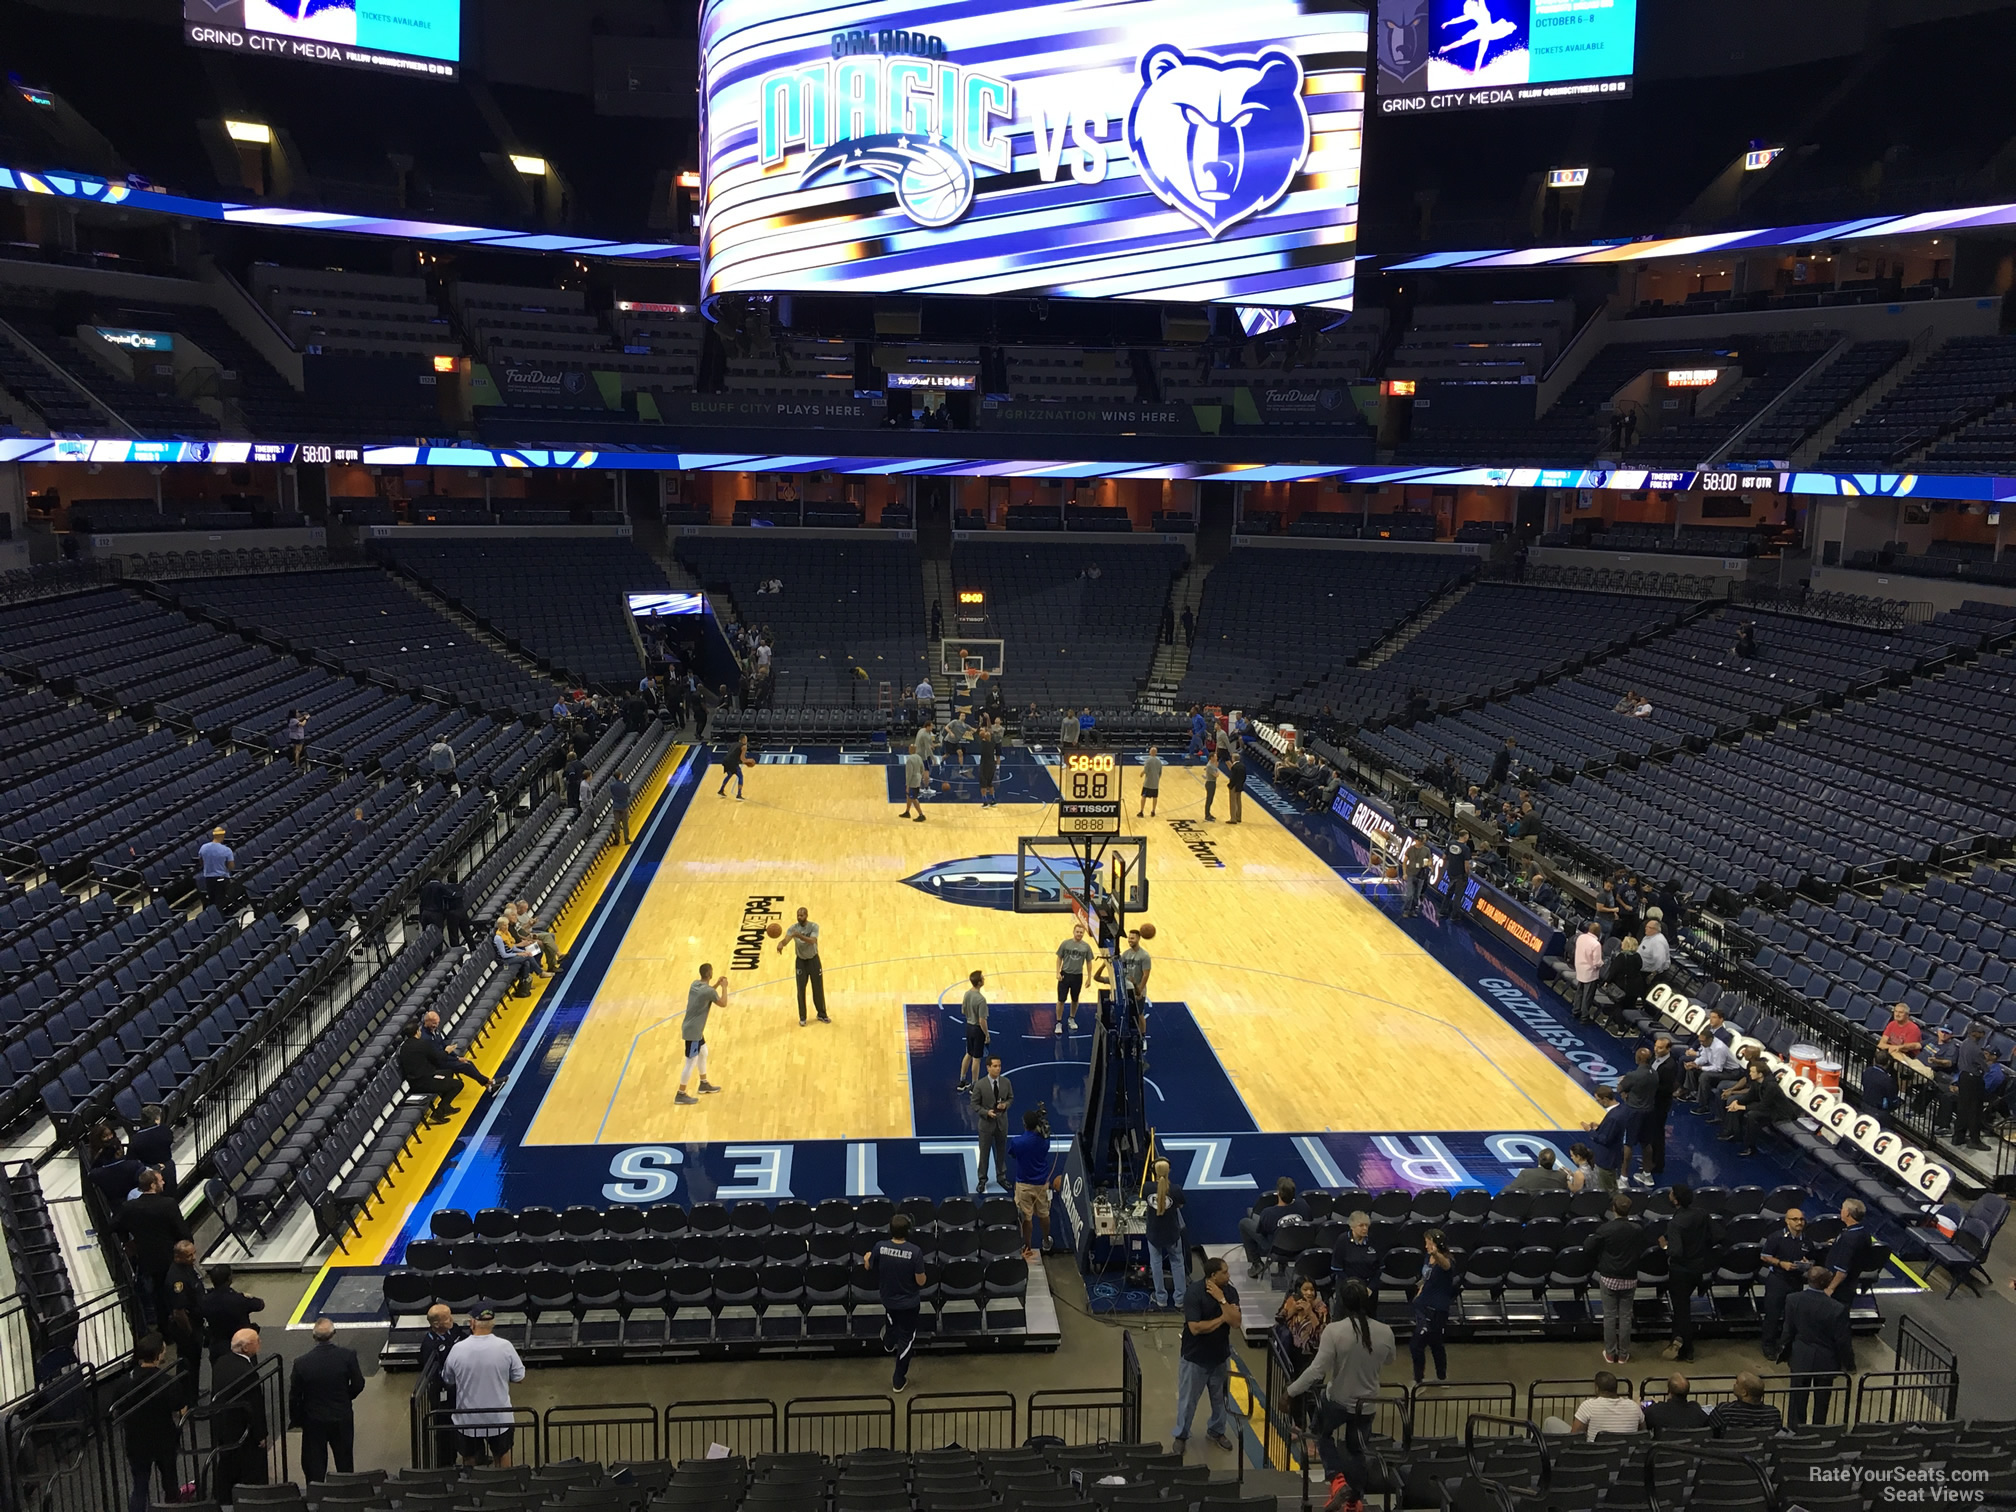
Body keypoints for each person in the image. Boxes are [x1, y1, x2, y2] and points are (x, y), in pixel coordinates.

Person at [1286, 1280, 1392, 1512]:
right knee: (1357, 1451)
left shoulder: (1334, 1331)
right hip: (1367, 1405)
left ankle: (1337, 1480)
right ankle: (1354, 1501)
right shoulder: (1386, 1331)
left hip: (1338, 1401)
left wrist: (1291, 1391)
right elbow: (1390, 1358)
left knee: (1320, 1434)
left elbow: (1317, 1370)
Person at [1173, 1256, 1241, 1454]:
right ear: (1213, 1276)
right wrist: (1223, 1317)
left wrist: (1221, 1299)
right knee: (1188, 1401)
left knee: (1220, 1399)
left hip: (1219, 1357)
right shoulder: (1194, 1293)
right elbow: (1195, 1328)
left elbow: (1236, 1322)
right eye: (1225, 1272)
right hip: (1195, 1358)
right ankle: (1181, 1435)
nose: (1228, 1275)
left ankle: (1217, 1431)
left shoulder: (1229, 1292)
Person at [442, 1310, 526, 1465]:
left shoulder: (458, 1349)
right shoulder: (505, 1347)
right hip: (499, 1417)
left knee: (470, 1459)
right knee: (502, 1456)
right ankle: (504, 1486)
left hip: (468, 1419)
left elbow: (448, 1378)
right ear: (492, 1324)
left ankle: (472, 1487)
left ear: (472, 1323)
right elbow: (519, 1377)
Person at [289, 1316, 365, 1482]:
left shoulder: (301, 1363)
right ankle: (346, 1493)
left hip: (314, 1419)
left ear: (314, 1337)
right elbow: (358, 1384)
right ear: (334, 1334)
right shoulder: (347, 1356)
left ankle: (316, 1495)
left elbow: (294, 1395)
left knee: (314, 1463)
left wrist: (297, 1418)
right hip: (341, 1416)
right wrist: (346, 1397)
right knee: (344, 1459)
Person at [1780, 1265, 1854, 1427]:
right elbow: (1842, 1340)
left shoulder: (1793, 1299)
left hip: (1800, 1357)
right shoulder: (1837, 1308)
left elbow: (1788, 1330)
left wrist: (1784, 1351)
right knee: (1822, 1403)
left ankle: (1795, 1433)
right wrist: (1849, 1364)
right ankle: (1817, 1432)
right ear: (1827, 1283)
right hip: (1826, 1361)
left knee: (1797, 1401)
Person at [121, 1333, 187, 1512]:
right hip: (163, 1439)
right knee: (170, 1483)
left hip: (135, 1440)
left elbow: (118, 1408)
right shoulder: (166, 1382)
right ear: (158, 1355)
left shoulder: (126, 1382)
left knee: (139, 1486)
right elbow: (180, 1406)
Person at [119, 1169, 189, 1329]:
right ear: (153, 1184)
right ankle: (181, 1325)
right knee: (177, 1292)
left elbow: (114, 1226)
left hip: (147, 1258)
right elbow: (182, 1231)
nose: (163, 1182)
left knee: (157, 1295)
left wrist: (127, 1242)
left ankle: (164, 1328)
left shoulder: (129, 1207)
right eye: (161, 1180)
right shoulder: (168, 1204)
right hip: (169, 1257)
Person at [864, 1214, 927, 1391]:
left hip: (888, 1300)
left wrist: (867, 1257)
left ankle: (889, 1342)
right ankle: (898, 1379)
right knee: (907, 1339)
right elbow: (921, 1281)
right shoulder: (915, 1252)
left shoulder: (880, 1247)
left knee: (891, 1319)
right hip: (909, 1305)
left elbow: (868, 1265)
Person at [1585, 1192, 1648, 1365]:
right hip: (1630, 1278)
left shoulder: (1606, 1229)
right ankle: (1623, 1355)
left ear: (1614, 1209)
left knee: (1610, 1316)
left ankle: (1610, 1353)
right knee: (1626, 1316)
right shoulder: (1637, 1229)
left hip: (1609, 1278)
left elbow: (1589, 1247)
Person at [399, 1017, 494, 1125]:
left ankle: (446, 1107)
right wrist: (447, 1051)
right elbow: (438, 1057)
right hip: (423, 1081)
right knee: (457, 1084)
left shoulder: (404, 1047)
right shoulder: (422, 1044)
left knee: (448, 1071)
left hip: (418, 1077)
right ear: (417, 1032)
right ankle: (439, 1112)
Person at [211, 1328, 268, 1505]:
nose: (259, 1344)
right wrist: (261, 1434)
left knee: (227, 1464)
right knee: (249, 1467)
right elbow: (254, 1406)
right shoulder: (247, 1373)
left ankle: (223, 1499)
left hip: (222, 1425)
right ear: (246, 1348)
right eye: (257, 1341)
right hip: (242, 1429)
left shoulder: (221, 1362)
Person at [1659, 1183, 1713, 1362]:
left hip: (1681, 1272)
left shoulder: (1675, 1224)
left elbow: (1675, 1251)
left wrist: (1664, 1246)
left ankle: (1687, 1350)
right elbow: (1715, 1236)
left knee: (1682, 1311)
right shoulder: (1702, 1214)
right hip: (1698, 1268)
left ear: (1676, 1200)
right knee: (1682, 1308)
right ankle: (1676, 1339)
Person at [417, 1303, 469, 1463]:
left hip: (462, 1389)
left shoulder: (455, 1330)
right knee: (445, 1430)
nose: (451, 1319)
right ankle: (446, 1463)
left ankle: (471, 1454)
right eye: (447, 1318)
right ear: (436, 1324)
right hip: (443, 1394)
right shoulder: (429, 1345)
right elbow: (432, 1372)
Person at [1008, 1109, 1061, 1257]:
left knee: (1026, 1216)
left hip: (1024, 1184)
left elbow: (1012, 1153)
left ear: (1024, 1124)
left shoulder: (1017, 1142)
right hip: (1041, 1184)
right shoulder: (1044, 1141)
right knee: (1044, 1213)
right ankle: (1046, 1240)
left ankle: (1028, 1246)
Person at [1759, 1208, 1809, 1359]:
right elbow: (1765, 1256)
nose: (1799, 1222)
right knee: (1772, 1315)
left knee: (1792, 1316)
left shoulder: (1806, 1240)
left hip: (1796, 1281)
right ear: (1787, 1221)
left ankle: (1786, 1346)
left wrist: (1806, 1263)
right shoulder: (1776, 1237)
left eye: (1801, 1219)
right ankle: (1768, 1345)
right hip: (1778, 1280)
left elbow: (1810, 1256)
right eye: (1795, 1219)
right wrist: (1781, 1263)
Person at [676, 965, 727, 1105]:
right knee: (690, 1061)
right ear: (710, 973)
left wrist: (716, 984)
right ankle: (680, 1093)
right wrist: (724, 987)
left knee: (703, 1052)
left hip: (693, 1028)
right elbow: (723, 1003)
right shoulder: (709, 992)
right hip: (693, 1031)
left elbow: (708, 993)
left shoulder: (695, 984)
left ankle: (703, 1083)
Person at [1239, 1177, 1309, 1279]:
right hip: (1300, 1246)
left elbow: (1262, 1232)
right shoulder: (1304, 1205)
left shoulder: (1268, 1213)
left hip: (1276, 1248)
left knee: (1244, 1223)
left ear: (1279, 1193)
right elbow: (1308, 1222)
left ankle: (1256, 1263)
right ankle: (1281, 1263)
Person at [161, 1239, 205, 1396]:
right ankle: (189, 1398)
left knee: (193, 1362)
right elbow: (178, 1311)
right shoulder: (177, 1278)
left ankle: (191, 1391)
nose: (193, 1258)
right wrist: (190, 1331)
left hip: (195, 1321)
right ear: (178, 1257)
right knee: (188, 1363)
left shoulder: (187, 1268)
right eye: (189, 1255)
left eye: (193, 1253)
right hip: (186, 1326)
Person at [1411, 1229, 1455, 1383]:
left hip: (1436, 1310)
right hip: (1423, 1306)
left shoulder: (1447, 1260)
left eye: (1429, 1243)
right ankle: (1425, 1377)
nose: (1426, 1246)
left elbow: (1446, 1266)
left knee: (1419, 1344)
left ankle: (1427, 1378)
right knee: (1435, 1342)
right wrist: (1420, 1292)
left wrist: (1436, 1254)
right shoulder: (1427, 1258)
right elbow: (1426, 1278)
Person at [1143, 1159, 1187, 1309]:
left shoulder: (1147, 1187)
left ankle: (1161, 1298)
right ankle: (1179, 1299)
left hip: (1154, 1234)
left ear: (1154, 1172)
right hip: (1172, 1234)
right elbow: (1180, 1204)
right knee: (1177, 1263)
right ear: (1169, 1172)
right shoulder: (1175, 1190)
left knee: (1156, 1264)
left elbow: (1145, 1201)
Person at [201, 1266, 265, 1366]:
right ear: (229, 1279)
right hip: (241, 1345)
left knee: (220, 1374)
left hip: (218, 1345)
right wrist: (247, 1296)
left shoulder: (205, 1300)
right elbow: (260, 1305)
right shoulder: (239, 1299)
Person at [1720, 1062, 1787, 1157]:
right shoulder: (1756, 1082)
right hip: (1766, 1107)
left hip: (1778, 1111)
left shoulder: (1771, 1086)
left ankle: (1750, 1147)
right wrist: (1738, 1103)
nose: (1750, 1073)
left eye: (1752, 1072)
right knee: (1735, 1103)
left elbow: (1764, 1106)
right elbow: (1750, 1096)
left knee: (1753, 1115)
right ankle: (1735, 1133)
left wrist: (1743, 1107)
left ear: (1760, 1074)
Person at [778, 906, 829, 1025]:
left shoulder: (814, 926)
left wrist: (799, 936)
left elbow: (812, 941)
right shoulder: (793, 928)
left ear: (806, 915)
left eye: (801, 915)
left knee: (818, 988)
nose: (799, 917)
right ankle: (802, 1017)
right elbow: (786, 940)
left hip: (814, 960)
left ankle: (821, 1014)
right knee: (800, 990)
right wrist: (781, 943)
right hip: (801, 962)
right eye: (798, 915)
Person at [972, 1055, 1013, 1194]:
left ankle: (1001, 1176)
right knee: (984, 1153)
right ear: (988, 1067)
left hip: (1002, 1123)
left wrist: (1005, 1105)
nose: (998, 1069)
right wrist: (985, 1112)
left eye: (999, 1066)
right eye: (995, 1066)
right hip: (986, 1125)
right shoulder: (980, 1085)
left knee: (1001, 1152)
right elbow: (974, 1104)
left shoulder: (1006, 1082)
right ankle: (982, 1180)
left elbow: (1010, 1098)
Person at [1616, 1047, 1657, 1187]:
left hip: (1634, 1112)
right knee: (1646, 1143)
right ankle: (1647, 1175)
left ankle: (1623, 1178)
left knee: (1628, 1143)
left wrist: (1624, 1083)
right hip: (1649, 1111)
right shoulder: (1655, 1074)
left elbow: (1619, 1088)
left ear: (1638, 1059)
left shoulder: (1633, 1075)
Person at [1644, 1034, 1682, 1182]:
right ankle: (1651, 1159)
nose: (1656, 1049)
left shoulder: (1670, 1066)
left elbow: (1666, 1089)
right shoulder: (1655, 1058)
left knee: (1657, 1135)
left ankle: (1658, 1164)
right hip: (1651, 1102)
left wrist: (1648, 1086)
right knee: (1650, 1133)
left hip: (1659, 1104)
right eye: (1655, 1046)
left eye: (1660, 1048)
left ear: (1668, 1049)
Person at [1568, 1372, 1644, 1441]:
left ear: (1597, 1388)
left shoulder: (1588, 1406)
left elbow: (1574, 1436)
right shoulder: (1634, 1407)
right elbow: (1643, 1433)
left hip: (1595, 1454)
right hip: (1626, 1455)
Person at [1275, 1278, 1330, 1371]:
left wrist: (1310, 1313)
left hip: (1312, 1353)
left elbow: (1321, 1334)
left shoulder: (1321, 1308)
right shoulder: (1291, 1301)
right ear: (1298, 1290)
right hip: (1293, 1349)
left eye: (1312, 1290)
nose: (1309, 1293)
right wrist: (1293, 1310)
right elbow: (1279, 1319)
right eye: (1305, 1290)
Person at [1582, 1085, 1629, 1194]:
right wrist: (1600, 1127)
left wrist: (1590, 1131)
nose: (1597, 1102)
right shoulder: (1620, 1109)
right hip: (1614, 1155)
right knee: (1611, 1184)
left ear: (1606, 1099)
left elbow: (1605, 1139)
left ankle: (1612, 1208)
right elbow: (1612, 1131)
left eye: (1598, 1100)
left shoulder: (1613, 1117)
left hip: (1607, 1158)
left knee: (1607, 1190)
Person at [1823, 1199, 1870, 1307]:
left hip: (1840, 1288)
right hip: (1852, 1282)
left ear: (1847, 1213)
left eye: (1843, 1208)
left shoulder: (1848, 1238)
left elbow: (1842, 1270)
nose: (1841, 1210)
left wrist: (1830, 1288)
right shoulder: (1863, 1233)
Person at [1708, 1371, 1782, 1437]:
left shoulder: (1724, 1411)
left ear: (1744, 1392)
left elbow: (1708, 1431)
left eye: (1737, 1383)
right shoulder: (1773, 1414)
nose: (1734, 1385)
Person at [1055, 921, 1092, 1035]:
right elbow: (1059, 958)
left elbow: (1089, 962)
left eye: (1081, 932)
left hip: (1077, 976)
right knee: (1061, 999)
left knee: (1075, 999)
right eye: (1077, 932)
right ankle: (1059, 1022)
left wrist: (1089, 978)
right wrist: (1057, 972)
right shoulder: (1065, 944)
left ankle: (1071, 1018)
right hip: (1065, 974)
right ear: (1073, 932)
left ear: (1084, 933)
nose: (1079, 934)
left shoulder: (1086, 947)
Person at [1331, 1211, 1380, 1293]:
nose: (1365, 1228)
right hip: (1348, 1287)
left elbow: (1379, 1268)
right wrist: (1353, 1286)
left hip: (1369, 1287)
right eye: (1361, 1225)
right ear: (1352, 1226)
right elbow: (1336, 1267)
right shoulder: (1342, 1240)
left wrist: (1370, 1288)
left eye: (1366, 1225)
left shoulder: (1373, 1239)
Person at [1643, 1374, 1710, 1432]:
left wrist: (1658, 1405)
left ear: (1669, 1391)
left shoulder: (1655, 1411)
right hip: (1689, 1446)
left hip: (1662, 1446)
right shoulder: (1696, 1411)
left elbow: (1644, 1422)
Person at [130, 1104, 175, 1189]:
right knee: (170, 1191)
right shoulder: (164, 1130)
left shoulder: (136, 1138)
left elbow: (132, 1157)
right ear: (157, 1119)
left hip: (148, 1170)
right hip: (166, 1166)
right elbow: (170, 1140)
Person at [958, 970, 989, 1091]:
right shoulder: (981, 1000)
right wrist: (986, 1034)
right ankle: (974, 1085)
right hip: (977, 1029)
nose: (984, 978)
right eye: (983, 977)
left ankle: (962, 1080)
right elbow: (982, 1021)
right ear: (979, 982)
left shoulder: (967, 994)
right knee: (977, 1058)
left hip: (968, 1027)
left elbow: (963, 1011)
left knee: (968, 1054)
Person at [1572, 922, 1603, 1022]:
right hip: (1590, 973)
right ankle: (1584, 1016)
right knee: (1588, 995)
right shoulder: (1596, 944)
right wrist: (1603, 963)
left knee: (1579, 991)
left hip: (1580, 968)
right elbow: (1597, 962)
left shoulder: (1581, 937)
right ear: (1599, 933)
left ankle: (1576, 1010)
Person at [197, 825, 235, 907]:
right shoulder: (226, 850)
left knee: (212, 901)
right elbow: (231, 866)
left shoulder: (203, 848)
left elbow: (201, 861)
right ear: (222, 836)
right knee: (221, 902)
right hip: (222, 878)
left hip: (209, 879)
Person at [1120, 927, 1153, 1014]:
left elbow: (1146, 975)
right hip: (1127, 989)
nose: (1129, 940)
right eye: (1129, 938)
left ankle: (1143, 1028)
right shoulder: (1125, 954)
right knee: (1127, 1013)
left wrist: (1140, 991)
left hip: (1138, 989)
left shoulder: (1144, 956)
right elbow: (1122, 971)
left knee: (1139, 1014)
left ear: (1138, 939)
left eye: (1132, 938)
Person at [718, 734, 749, 799]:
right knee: (740, 776)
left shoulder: (733, 744)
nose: (746, 740)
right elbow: (742, 759)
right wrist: (749, 761)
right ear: (743, 739)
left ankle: (721, 790)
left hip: (725, 760)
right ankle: (739, 794)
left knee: (729, 774)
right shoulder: (744, 747)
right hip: (733, 763)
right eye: (746, 739)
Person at [975, 717, 998, 807]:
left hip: (984, 766)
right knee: (990, 783)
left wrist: (980, 723)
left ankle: (985, 802)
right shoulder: (992, 742)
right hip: (992, 765)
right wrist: (988, 718)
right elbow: (990, 729)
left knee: (983, 785)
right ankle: (993, 799)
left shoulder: (982, 744)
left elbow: (977, 733)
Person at [903, 745, 927, 822]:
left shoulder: (909, 759)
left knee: (913, 798)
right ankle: (907, 812)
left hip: (912, 780)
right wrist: (920, 777)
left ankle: (921, 815)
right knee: (909, 796)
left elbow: (909, 773)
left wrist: (907, 784)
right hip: (918, 778)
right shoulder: (919, 757)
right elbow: (922, 768)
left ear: (910, 749)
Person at [1138, 746, 1164, 819]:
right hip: (1155, 782)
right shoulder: (1159, 761)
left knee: (1144, 796)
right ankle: (1153, 811)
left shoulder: (1148, 760)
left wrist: (1141, 774)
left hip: (1148, 782)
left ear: (1150, 752)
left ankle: (1141, 811)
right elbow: (1160, 773)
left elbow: (1145, 770)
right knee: (1155, 797)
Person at [608, 770, 633, 844]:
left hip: (616, 806)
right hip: (624, 806)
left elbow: (612, 794)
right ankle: (626, 839)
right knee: (625, 824)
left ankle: (617, 839)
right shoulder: (625, 785)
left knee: (617, 824)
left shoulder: (612, 786)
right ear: (620, 776)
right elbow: (628, 794)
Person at [1225, 748, 1247, 824]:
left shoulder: (1234, 767)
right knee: (1238, 801)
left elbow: (1233, 778)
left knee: (1233, 802)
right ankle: (1239, 817)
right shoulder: (1243, 766)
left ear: (1233, 759)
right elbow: (1244, 777)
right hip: (1240, 785)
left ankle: (1233, 819)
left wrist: (1230, 786)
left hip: (1234, 786)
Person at [1203, 751, 1220, 820]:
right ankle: (1207, 815)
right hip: (1210, 783)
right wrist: (1218, 771)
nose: (1216, 758)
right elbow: (1216, 775)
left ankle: (1208, 813)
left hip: (1213, 783)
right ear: (1211, 757)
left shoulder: (1213, 764)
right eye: (1215, 756)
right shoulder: (1210, 766)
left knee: (1211, 799)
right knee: (1209, 799)